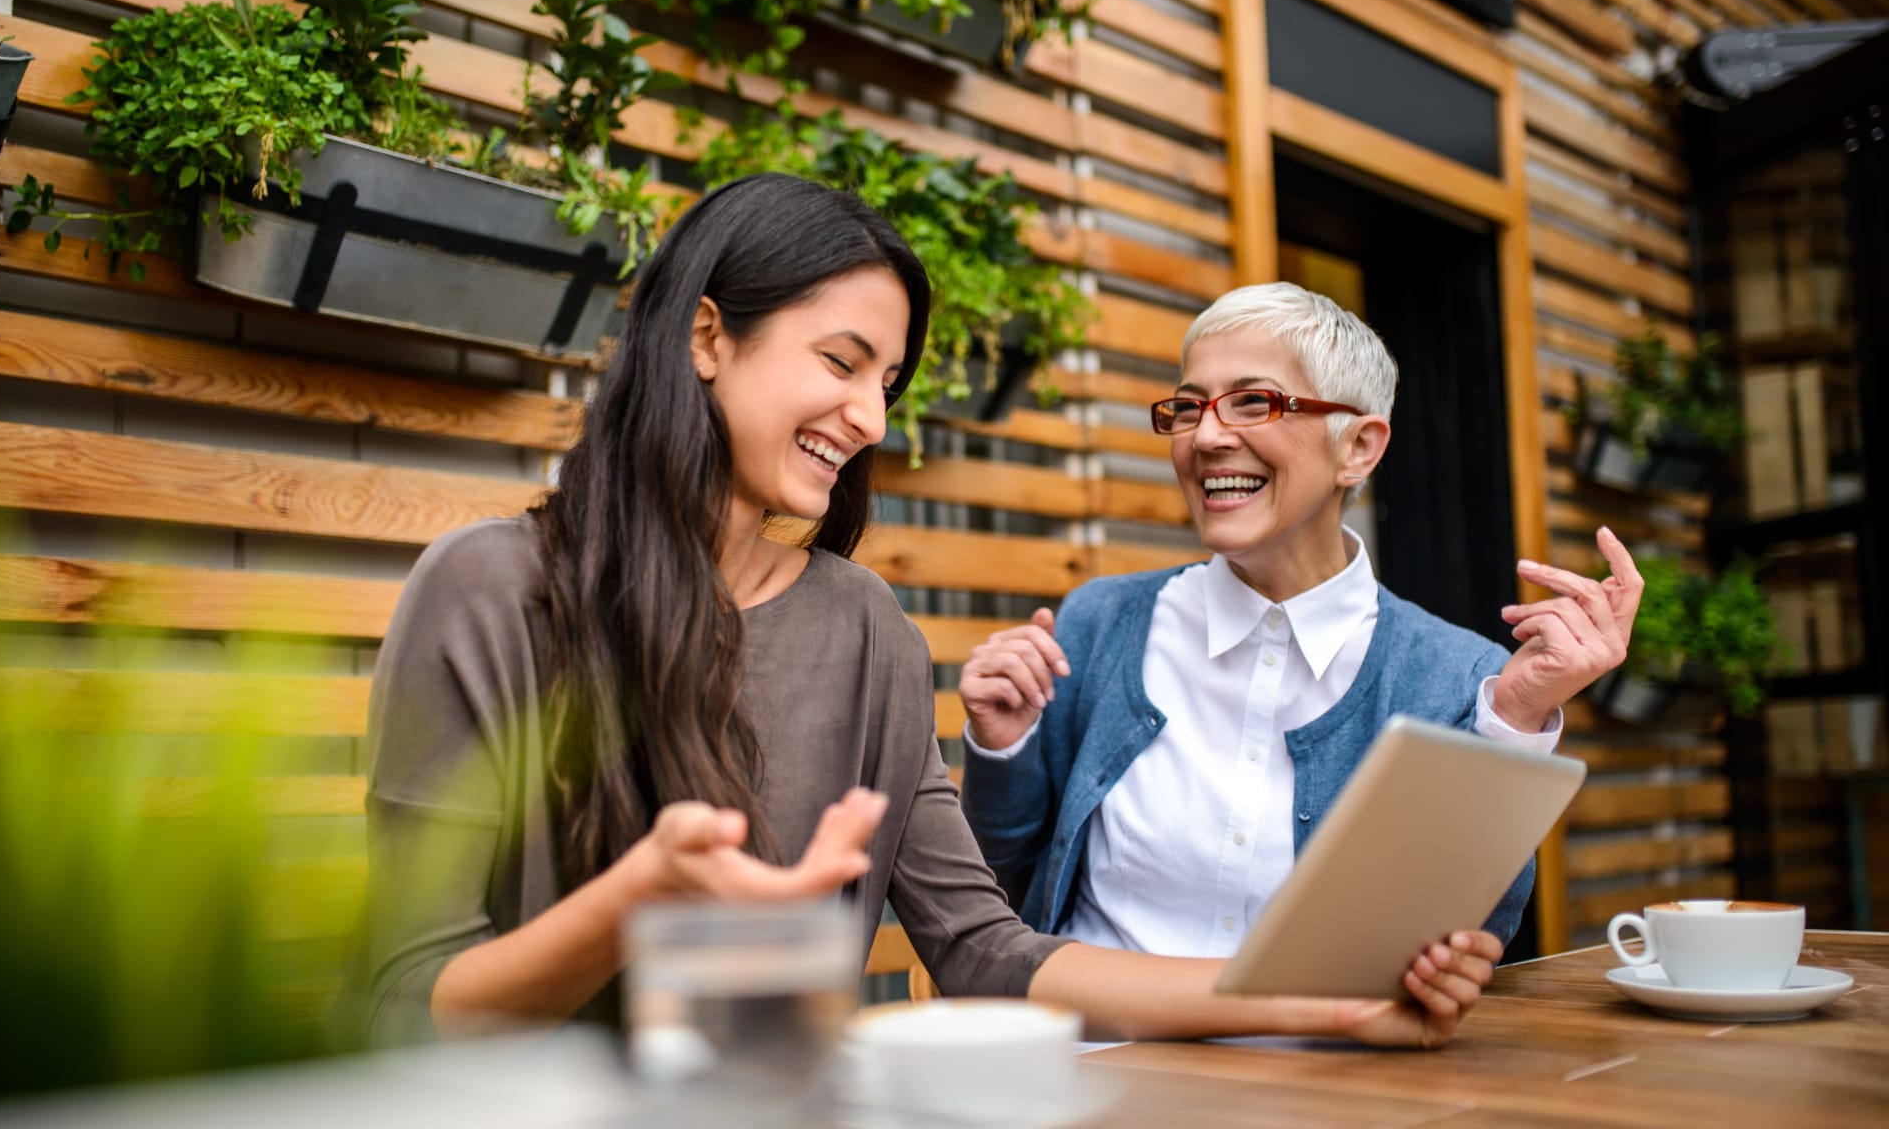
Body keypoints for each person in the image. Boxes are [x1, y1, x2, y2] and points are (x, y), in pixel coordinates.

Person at [357, 178, 1503, 1051]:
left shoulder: (864, 630)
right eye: (840, 362)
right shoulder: (494, 591)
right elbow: (410, 1006)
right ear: (707, 338)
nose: (867, 418)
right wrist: (635, 899)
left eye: (886, 384)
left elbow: (985, 949)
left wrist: (1334, 1003)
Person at [959, 282, 1641, 959]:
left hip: (1320, 1066)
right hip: (1101, 1055)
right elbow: (1003, 892)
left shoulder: (1461, 679)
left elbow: (1465, 941)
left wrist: (1513, 723)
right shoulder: (1099, 623)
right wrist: (1002, 748)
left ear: (1360, 449)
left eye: (1254, 402)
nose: (1208, 436)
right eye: (1189, 407)